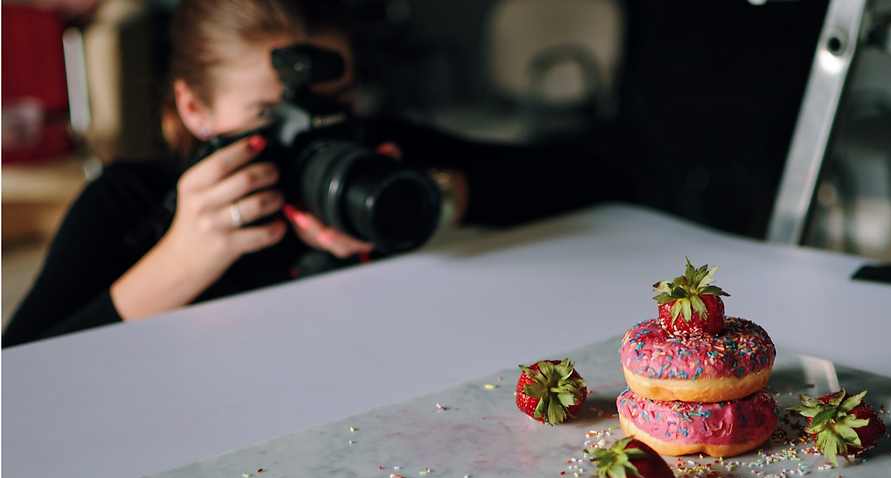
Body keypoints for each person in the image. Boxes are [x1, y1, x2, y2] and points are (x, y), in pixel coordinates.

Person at [2, 0, 626, 348]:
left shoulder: (380, 153)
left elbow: (590, 176)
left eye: (337, 103)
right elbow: (20, 378)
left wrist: (438, 199)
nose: (314, 131)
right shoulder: (127, 200)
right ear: (195, 107)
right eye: (270, 115)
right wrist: (182, 259)